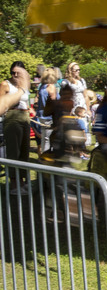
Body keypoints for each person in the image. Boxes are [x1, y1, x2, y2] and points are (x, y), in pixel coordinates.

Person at [0, 63, 31, 194]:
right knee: (14, 151)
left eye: (19, 72)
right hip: (12, 116)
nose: (16, 75)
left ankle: (22, 182)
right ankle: (14, 184)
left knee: (24, 151)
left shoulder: (25, 86)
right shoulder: (6, 84)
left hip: (25, 115)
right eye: (13, 72)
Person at [34, 68, 57, 153]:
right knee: (49, 139)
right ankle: (47, 158)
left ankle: (45, 156)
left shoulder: (42, 87)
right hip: (49, 117)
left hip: (42, 116)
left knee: (45, 138)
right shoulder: (50, 88)